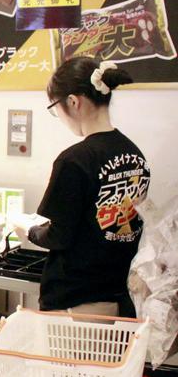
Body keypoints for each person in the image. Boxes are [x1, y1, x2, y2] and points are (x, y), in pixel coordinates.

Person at [13, 58, 149, 316]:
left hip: (75, 301)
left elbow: (58, 236)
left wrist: (28, 229)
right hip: (120, 295)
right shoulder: (134, 154)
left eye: (55, 108)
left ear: (73, 102)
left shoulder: (74, 161)